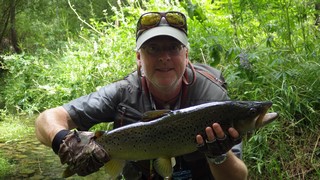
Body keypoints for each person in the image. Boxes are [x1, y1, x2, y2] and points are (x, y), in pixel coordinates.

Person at [35, 11, 248, 179]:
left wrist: (219, 154)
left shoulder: (212, 96)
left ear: (186, 54)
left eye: (173, 48)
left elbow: (239, 177)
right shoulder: (122, 92)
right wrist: (65, 142)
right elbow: (46, 119)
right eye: (153, 48)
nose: (164, 57)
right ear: (139, 58)